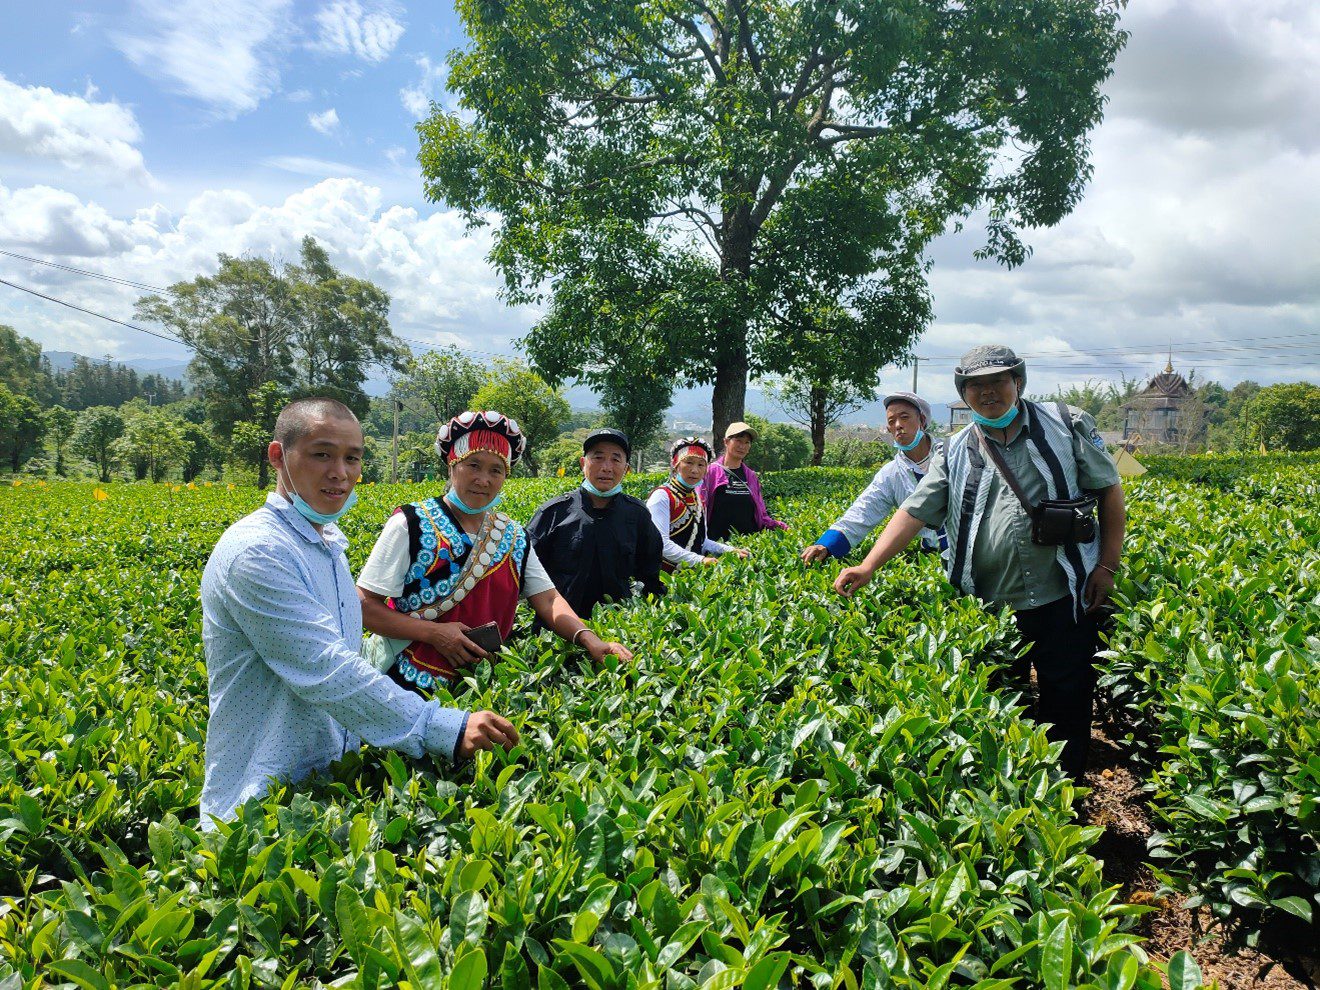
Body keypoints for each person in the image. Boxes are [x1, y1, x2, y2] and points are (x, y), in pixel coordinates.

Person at [199, 398, 518, 828]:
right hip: (260, 805)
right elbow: (327, 670)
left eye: (352, 458)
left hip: (330, 783)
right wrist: (445, 727)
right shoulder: (259, 552)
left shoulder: (328, 542)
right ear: (278, 456)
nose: (340, 473)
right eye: (321, 454)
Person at [833, 345, 1125, 777]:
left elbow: (1109, 490)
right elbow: (914, 510)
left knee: (1068, 699)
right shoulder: (952, 451)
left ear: (1018, 383)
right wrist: (870, 564)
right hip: (989, 601)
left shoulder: (1066, 425)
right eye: (976, 386)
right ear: (964, 394)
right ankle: (1019, 798)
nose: (988, 393)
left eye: (997, 382)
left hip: (1064, 590)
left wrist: (1107, 565)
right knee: (1001, 708)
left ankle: (1068, 797)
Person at [356, 411, 634, 691]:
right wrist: (434, 634)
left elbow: (548, 600)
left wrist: (590, 639)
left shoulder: (513, 536)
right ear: (452, 466)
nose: (483, 480)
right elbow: (365, 606)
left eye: (496, 470)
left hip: (482, 684)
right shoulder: (410, 523)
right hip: (404, 682)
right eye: (473, 465)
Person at [526, 427, 666, 619]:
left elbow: (649, 576)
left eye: (616, 459)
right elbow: (526, 572)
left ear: (626, 468)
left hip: (617, 627)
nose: (606, 467)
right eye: (598, 457)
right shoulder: (553, 513)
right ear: (583, 463)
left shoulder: (637, 515)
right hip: (558, 629)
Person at [801, 392, 948, 565]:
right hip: (933, 556)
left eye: (905, 417)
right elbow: (863, 511)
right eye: (892, 421)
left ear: (922, 421)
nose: (898, 425)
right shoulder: (891, 474)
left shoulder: (951, 454)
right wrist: (826, 545)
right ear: (888, 430)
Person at [646, 437, 752, 570]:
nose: (695, 470)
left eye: (701, 465)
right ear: (676, 465)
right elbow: (661, 544)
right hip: (662, 578)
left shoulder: (696, 497)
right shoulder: (662, 496)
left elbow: (703, 541)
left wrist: (731, 550)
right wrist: (700, 560)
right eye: (689, 463)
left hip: (689, 576)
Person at [700, 421, 789, 541]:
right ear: (726, 442)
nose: (742, 446)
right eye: (738, 441)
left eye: (747, 442)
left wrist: (779, 526)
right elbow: (699, 507)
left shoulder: (751, 476)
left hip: (747, 545)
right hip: (717, 544)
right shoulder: (710, 472)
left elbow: (761, 513)